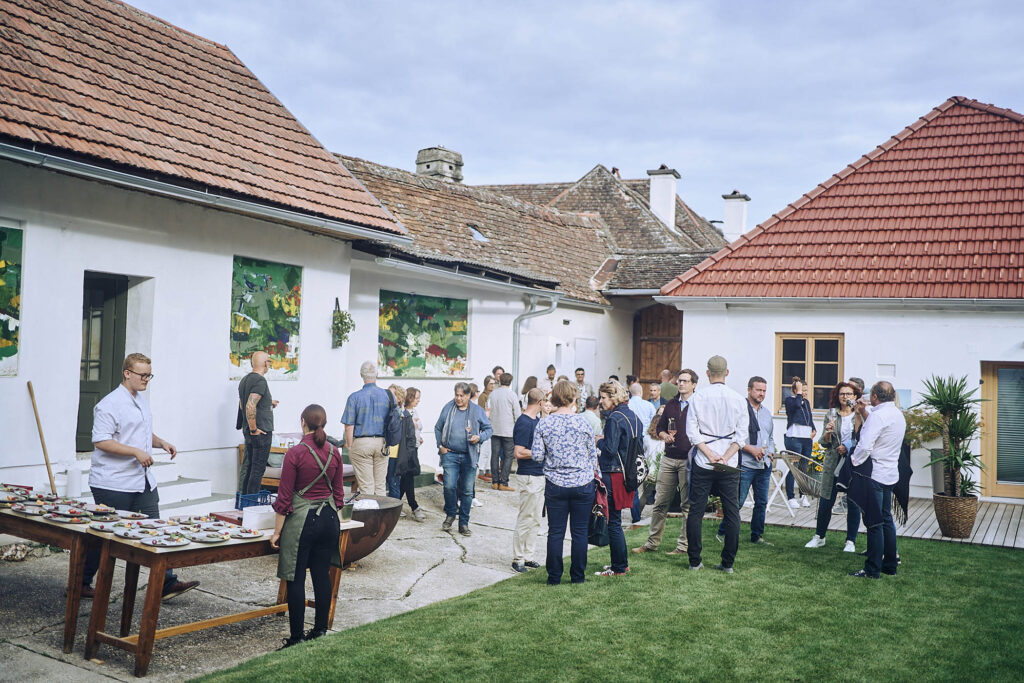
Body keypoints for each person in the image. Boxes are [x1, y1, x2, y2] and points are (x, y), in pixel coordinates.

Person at [82, 353, 197, 600]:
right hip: (112, 482)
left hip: (142, 480)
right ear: (127, 373)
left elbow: (140, 432)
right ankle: (81, 582)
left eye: (149, 375)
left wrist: (161, 442)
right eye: (142, 375)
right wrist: (135, 452)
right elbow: (100, 440)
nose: (146, 380)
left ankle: (167, 582)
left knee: (156, 529)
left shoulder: (141, 400)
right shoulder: (109, 404)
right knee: (104, 535)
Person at [270, 404, 345, 648]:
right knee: (322, 575)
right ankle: (320, 630)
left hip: (303, 520)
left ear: (303, 422)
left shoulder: (295, 454)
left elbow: (283, 499)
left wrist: (277, 532)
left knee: (295, 578)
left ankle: (296, 637)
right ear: (324, 423)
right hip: (330, 520)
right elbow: (339, 496)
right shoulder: (335, 452)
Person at [530, 381, 598, 585]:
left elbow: (536, 455)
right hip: (582, 483)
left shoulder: (545, 423)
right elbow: (593, 456)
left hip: (556, 483)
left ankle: (554, 577)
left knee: (556, 531)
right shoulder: (583, 422)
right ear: (574, 398)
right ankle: (577, 576)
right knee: (579, 532)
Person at [685, 355, 748, 573]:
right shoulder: (739, 399)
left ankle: (695, 561)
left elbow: (692, 433)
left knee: (696, 511)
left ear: (707, 373)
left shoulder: (698, 397)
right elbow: (742, 437)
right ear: (727, 373)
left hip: (705, 461)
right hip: (728, 463)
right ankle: (728, 563)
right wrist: (726, 456)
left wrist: (710, 455)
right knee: (732, 513)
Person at [634, 369, 696, 556]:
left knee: (687, 505)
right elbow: (660, 428)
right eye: (680, 381)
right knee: (660, 503)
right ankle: (652, 543)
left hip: (689, 460)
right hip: (669, 458)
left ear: (694, 384)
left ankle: (683, 546)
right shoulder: (670, 404)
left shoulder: (698, 405)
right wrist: (663, 435)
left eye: (685, 381)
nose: (681, 384)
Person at [849, 382, 906, 579]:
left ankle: (872, 569)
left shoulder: (878, 416)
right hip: (890, 473)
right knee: (886, 519)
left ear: (874, 397)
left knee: (873, 523)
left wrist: (853, 461)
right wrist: (864, 411)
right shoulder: (897, 414)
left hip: (874, 474)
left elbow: (864, 446)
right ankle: (890, 564)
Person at [717, 376, 775, 544]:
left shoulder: (766, 413)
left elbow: (770, 438)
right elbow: (733, 436)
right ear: (749, 390)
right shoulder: (739, 410)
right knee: (738, 502)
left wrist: (770, 453)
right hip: (745, 464)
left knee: (761, 502)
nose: (761, 394)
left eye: (764, 391)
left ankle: (756, 535)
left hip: (764, 465)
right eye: (758, 390)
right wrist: (751, 449)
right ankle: (722, 532)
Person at [806, 382, 863, 550]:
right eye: (842, 394)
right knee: (826, 500)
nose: (845, 397)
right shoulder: (831, 415)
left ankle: (850, 541)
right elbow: (823, 443)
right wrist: (828, 433)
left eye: (848, 394)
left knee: (852, 502)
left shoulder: (858, 415)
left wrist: (848, 446)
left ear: (855, 396)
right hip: (832, 462)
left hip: (851, 463)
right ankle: (819, 536)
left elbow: (862, 438)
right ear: (837, 397)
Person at [595, 380, 642, 577]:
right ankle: (621, 563)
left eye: (604, 398)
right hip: (628, 473)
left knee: (613, 522)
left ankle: (619, 568)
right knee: (616, 521)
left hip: (614, 473)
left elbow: (611, 449)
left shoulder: (614, 418)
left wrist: (599, 441)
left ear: (613, 397)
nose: (600, 401)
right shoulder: (633, 415)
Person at [434, 383, 493, 535]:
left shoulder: (477, 411)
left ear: (468, 396)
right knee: (449, 486)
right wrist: (440, 445)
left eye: (462, 396)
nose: (458, 398)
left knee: (467, 492)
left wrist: (479, 438)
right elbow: (438, 427)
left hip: (470, 455)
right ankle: (451, 513)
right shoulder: (448, 408)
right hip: (450, 454)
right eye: (457, 395)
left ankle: (464, 523)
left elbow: (489, 429)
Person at [341, 361, 392, 496]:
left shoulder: (354, 397)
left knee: (366, 487)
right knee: (380, 486)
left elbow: (349, 426)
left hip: (362, 443)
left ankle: (367, 516)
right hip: (383, 443)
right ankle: (381, 516)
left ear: (361, 375)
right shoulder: (388, 395)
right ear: (377, 374)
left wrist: (351, 446)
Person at [511, 388, 545, 572]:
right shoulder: (524, 422)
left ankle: (528, 555)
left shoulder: (537, 421)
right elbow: (518, 452)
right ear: (540, 403)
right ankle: (518, 558)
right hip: (529, 476)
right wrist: (540, 453)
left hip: (540, 475)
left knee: (536, 519)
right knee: (525, 517)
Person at [236, 350, 278, 495]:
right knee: (258, 469)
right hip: (260, 431)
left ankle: (245, 501)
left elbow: (243, 404)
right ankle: (251, 505)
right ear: (266, 364)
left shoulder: (245, 380)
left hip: (248, 429)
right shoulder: (260, 381)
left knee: (249, 467)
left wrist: (268, 402)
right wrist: (255, 429)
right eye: (269, 362)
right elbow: (249, 405)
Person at [783, 377, 817, 508]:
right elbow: (796, 406)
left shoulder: (806, 402)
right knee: (794, 468)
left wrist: (814, 429)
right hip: (794, 438)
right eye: (803, 390)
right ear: (795, 390)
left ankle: (803, 495)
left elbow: (809, 417)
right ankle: (791, 497)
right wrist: (797, 394)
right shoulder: (790, 400)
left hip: (806, 439)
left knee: (804, 468)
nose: (805, 393)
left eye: (806, 390)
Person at [488, 372, 522, 492]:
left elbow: (488, 410)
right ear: (510, 382)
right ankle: (504, 482)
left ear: (500, 381)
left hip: (494, 429)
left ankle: (495, 482)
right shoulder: (512, 395)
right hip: (509, 430)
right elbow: (517, 415)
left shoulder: (493, 394)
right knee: (508, 456)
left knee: (494, 456)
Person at [396, 388, 426, 521]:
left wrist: (419, 438)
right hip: (408, 450)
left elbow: (417, 428)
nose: (419, 400)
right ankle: (414, 507)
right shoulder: (403, 413)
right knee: (408, 477)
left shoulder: (415, 411)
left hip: (415, 447)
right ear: (410, 398)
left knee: (407, 479)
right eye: (417, 398)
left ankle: (396, 503)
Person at [384, 384, 407, 500]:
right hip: (389, 450)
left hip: (394, 451)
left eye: (391, 394)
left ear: (398, 397)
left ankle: (394, 509)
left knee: (392, 481)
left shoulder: (397, 412)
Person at [476, 378, 495, 483]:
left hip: (492, 423)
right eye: (490, 384)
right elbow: (482, 411)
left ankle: (488, 469)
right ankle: (481, 471)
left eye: (493, 384)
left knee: (490, 449)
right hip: (485, 424)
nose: (492, 386)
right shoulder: (483, 396)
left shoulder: (493, 395)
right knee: (484, 449)